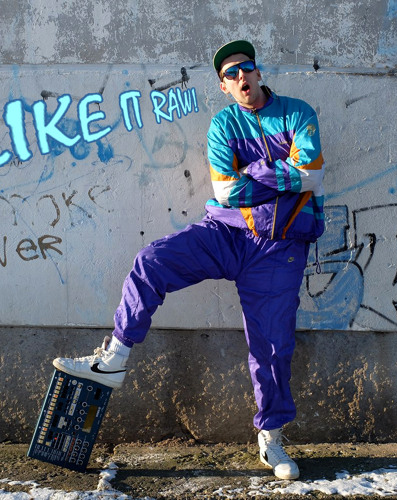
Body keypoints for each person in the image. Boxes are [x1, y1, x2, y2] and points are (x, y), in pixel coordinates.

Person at [53, 40, 325, 481]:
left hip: (279, 245)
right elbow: (226, 192)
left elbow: (311, 173)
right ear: (223, 86)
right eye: (230, 74)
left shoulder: (297, 113)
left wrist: (252, 173)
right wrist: (280, 175)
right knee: (151, 262)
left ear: (258, 72)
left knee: (273, 346)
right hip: (226, 233)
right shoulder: (224, 124)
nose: (240, 77)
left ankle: (271, 438)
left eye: (246, 68)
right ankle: (115, 358)